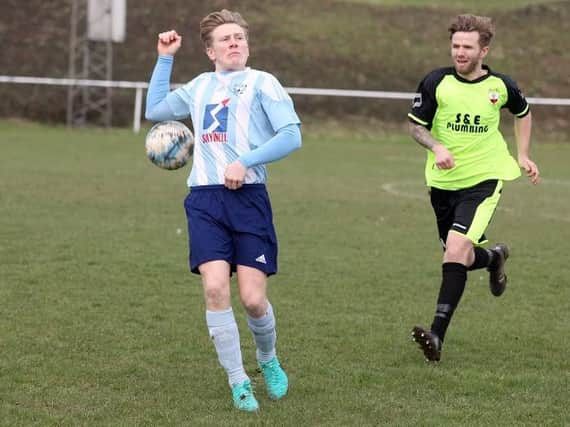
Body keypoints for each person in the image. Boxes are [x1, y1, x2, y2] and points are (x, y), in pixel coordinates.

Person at [145, 10, 301, 411]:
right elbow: (156, 109)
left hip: (248, 200)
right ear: (211, 50)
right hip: (204, 200)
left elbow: (291, 135)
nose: (235, 43)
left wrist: (245, 160)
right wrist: (165, 57)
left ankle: (267, 359)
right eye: (226, 39)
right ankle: (238, 381)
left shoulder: (263, 83)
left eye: (239, 38)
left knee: (252, 300)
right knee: (215, 289)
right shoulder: (199, 86)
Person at [407, 14, 540, 362]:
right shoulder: (436, 82)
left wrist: (523, 155)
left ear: (484, 49)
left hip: (485, 178)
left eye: (467, 47)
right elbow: (415, 126)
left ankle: (436, 336)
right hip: (442, 183)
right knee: (461, 256)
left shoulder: (500, 86)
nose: (460, 53)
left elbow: (523, 112)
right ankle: (494, 258)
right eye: (455, 46)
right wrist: (436, 147)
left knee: (455, 248)